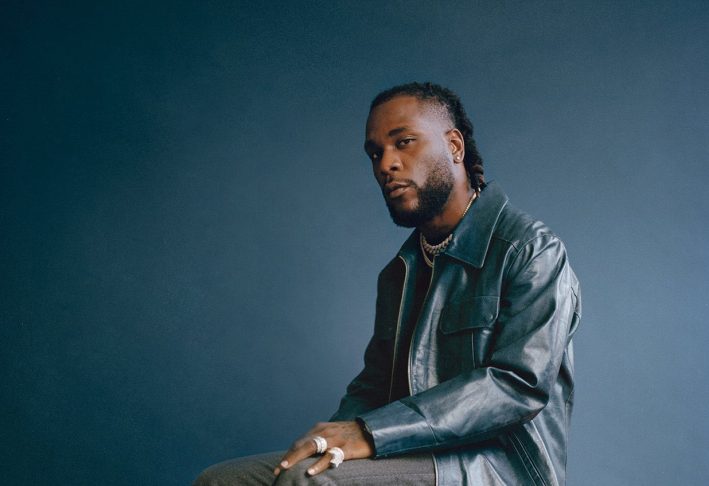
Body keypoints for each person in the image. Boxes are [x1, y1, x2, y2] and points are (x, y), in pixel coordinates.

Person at [194, 82, 581, 485]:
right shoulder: (401, 271)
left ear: (454, 146)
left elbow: (517, 385)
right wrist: (330, 442)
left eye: (404, 142)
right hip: (408, 451)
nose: (386, 165)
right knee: (223, 481)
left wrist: (369, 433)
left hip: (494, 468)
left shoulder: (531, 250)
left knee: (307, 483)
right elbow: (374, 385)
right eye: (375, 153)